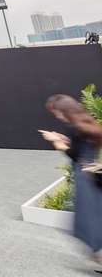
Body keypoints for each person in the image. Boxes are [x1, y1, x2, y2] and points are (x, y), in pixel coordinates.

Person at [40, 93, 102, 268]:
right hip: (94, 172)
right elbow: (83, 148)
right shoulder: (88, 124)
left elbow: (74, 154)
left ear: (65, 110)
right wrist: (65, 140)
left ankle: (98, 255)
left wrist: (56, 142)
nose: (58, 116)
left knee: (86, 217)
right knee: (96, 213)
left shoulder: (74, 127)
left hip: (83, 175)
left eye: (57, 112)